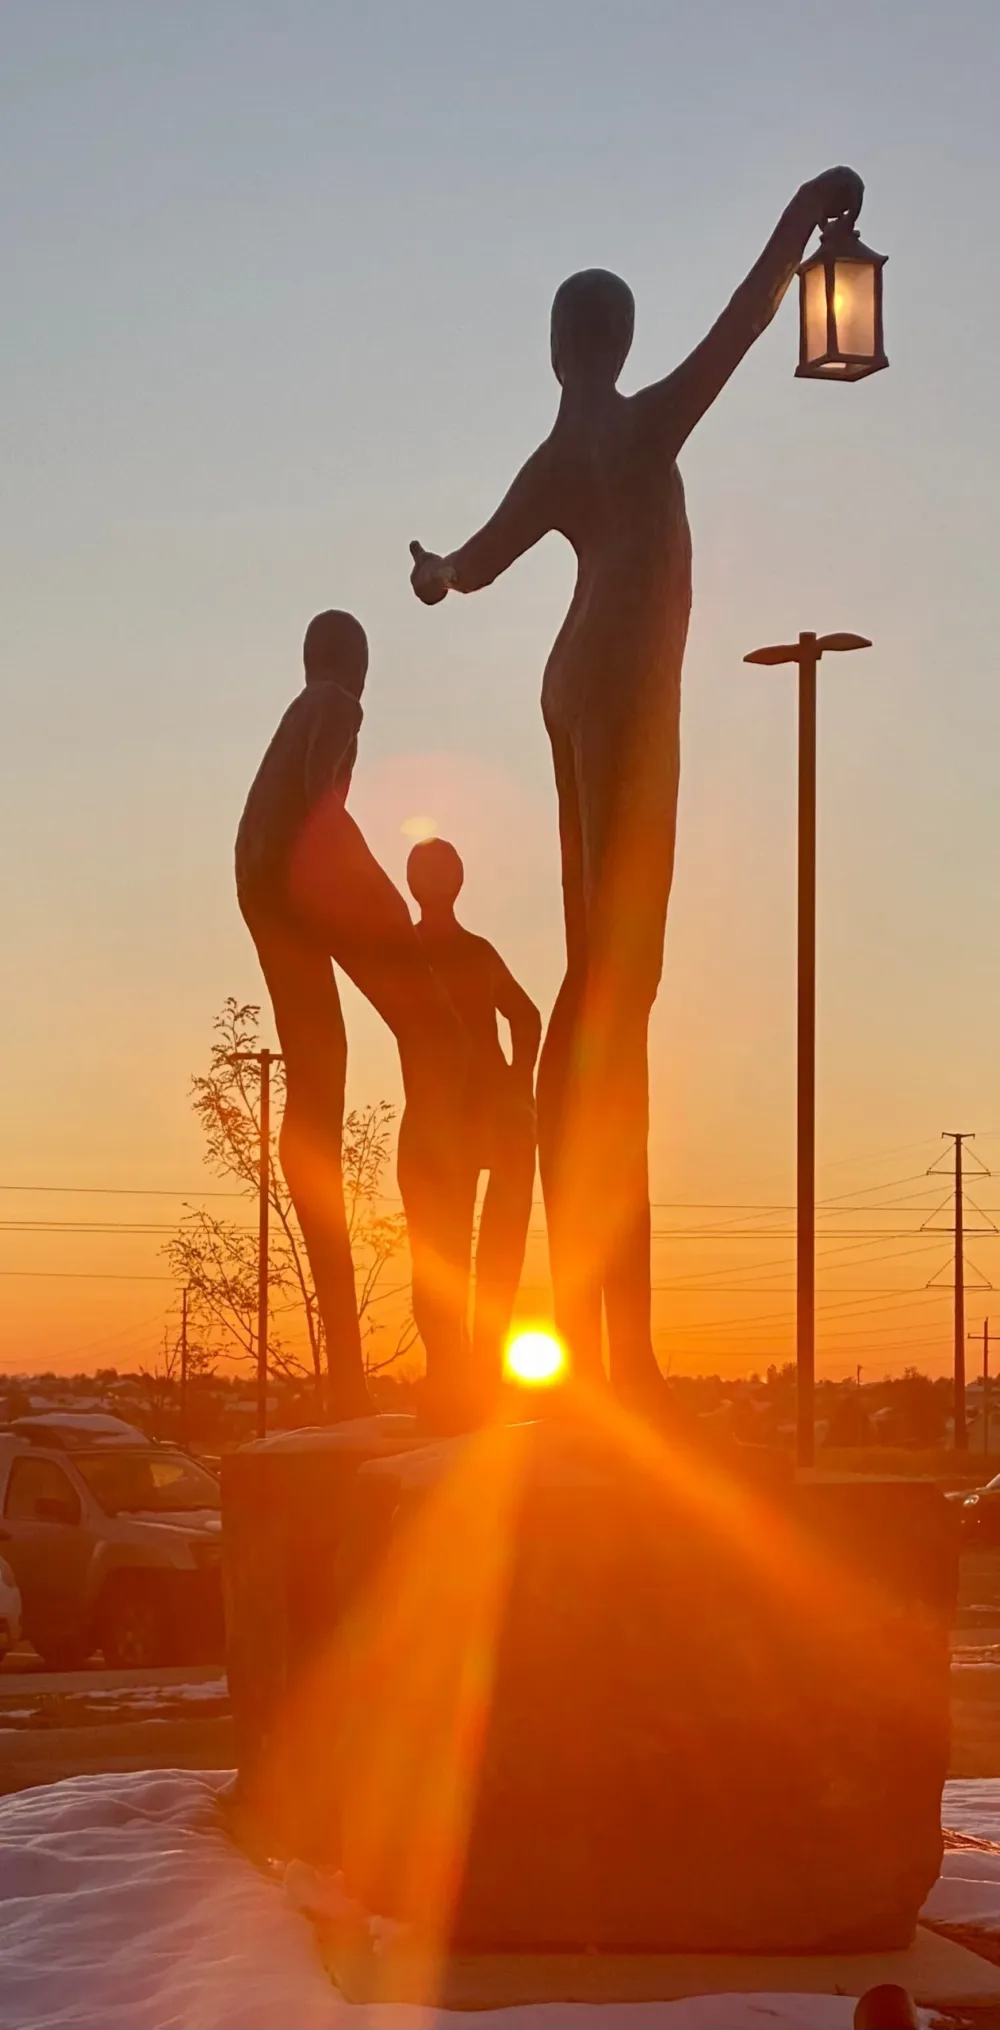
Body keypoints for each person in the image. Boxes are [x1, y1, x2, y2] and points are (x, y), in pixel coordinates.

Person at [409, 167, 864, 1417]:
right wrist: (802, 219)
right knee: (619, 994)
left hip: (568, 687)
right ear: (613, 344)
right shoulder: (638, 426)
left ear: (560, 347)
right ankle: (625, 1354)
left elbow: (474, 561)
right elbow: (743, 320)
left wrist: (434, 573)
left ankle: (619, 1347)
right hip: (616, 695)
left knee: (605, 993)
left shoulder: (560, 451)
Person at [235, 610, 468, 1421]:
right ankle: (447, 1169)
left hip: (260, 884)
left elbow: (296, 809)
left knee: (318, 1088)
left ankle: (344, 1373)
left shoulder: (303, 705)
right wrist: (378, 894)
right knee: (427, 1028)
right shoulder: (336, 701)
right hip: (299, 877)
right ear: (351, 663)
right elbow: (316, 807)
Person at [407, 838, 541, 1394]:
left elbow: (526, 1016)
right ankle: (462, 1370)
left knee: (451, 1254)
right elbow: (526, 1017)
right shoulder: (441, 951)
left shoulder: (411, 951)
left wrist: (515, 1082)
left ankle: (469, 1370)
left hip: (463, 1119)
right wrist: (515, 1079)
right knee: (452, 1254)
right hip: (461, 1118)